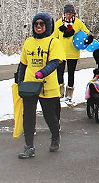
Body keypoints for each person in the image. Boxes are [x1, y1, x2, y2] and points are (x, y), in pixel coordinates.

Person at [17, 13, 65, 158]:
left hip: (47, 85)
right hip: (30, 86)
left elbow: (55, 62)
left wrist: (42, 72)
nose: (38, 26)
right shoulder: (29, 42)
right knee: (28, 116)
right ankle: (29, 146)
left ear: (47, 26)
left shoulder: (54, 42)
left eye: (41, 24)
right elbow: (23, 64)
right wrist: (19, 82)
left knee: (49, 115)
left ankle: (55, 137)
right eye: (36, 24)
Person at [53, 4, 92, 102]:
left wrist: (88, 39)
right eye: (67, 13)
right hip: (61, 53)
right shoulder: (58, 24)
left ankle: (69, 93)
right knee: (59, 72)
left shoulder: (78, 23)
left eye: (71, 13)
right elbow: (53, 37)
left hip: (73, 53)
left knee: (71, 73)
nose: (69, 15)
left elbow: (86, 33)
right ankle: (60, 92)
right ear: (64, 14)